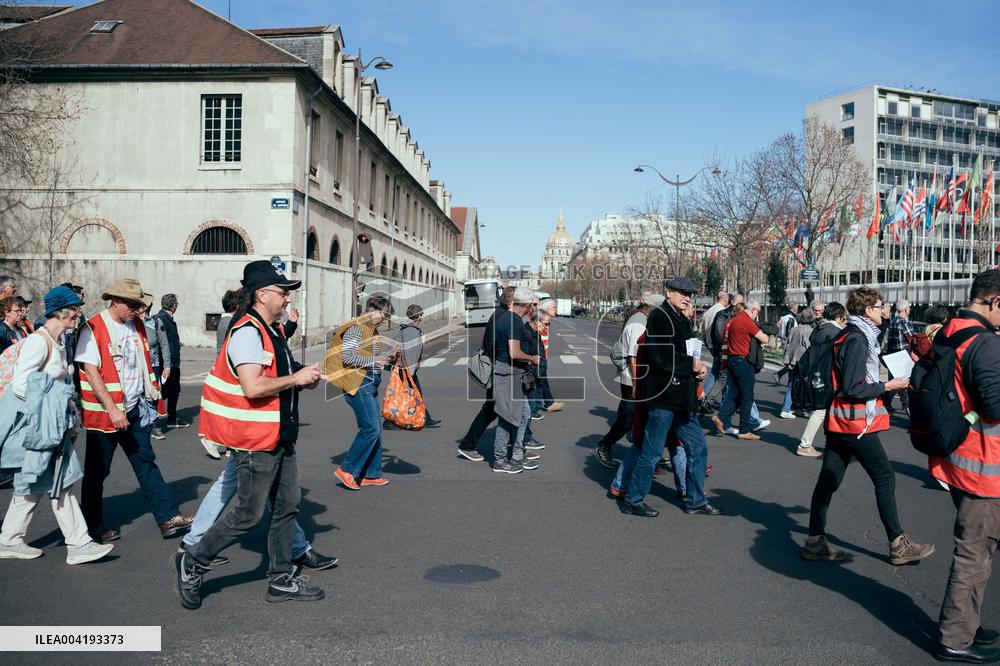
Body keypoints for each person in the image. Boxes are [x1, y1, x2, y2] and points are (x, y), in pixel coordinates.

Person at [175, 261, 325, 609]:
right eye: (282, 292)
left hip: (279, 435)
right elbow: (253, 386)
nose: (287, 299)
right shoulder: (247, 332)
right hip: (256, 439)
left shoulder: (271, 330)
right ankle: (193, 560)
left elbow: (279, 370)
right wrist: (296, 380)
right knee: (248, 512)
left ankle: (281, 579)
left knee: (287, 507)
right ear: (262, 294)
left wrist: (306, 373)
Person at [801, 287, 934, 565]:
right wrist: (889, 385)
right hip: (855, 420)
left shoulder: (854, 334)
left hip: (842, 418)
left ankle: (815, 540)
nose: (884, 309)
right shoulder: (859, 339)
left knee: (829, 479)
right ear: (868, 311)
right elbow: (853, 386)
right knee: (884, 476)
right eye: (880, 305)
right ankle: (898, 544)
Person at [0, 286, 114, 565]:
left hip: (51, 426)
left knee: (36, 482)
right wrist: (54, 404)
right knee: (60, 483)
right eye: (75, 309)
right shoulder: (40, 342)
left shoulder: (57, 341)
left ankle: (9, 539)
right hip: (43, 428)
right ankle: (79, 544)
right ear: (61, 311)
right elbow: (21, 384)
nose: (78, 314)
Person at [76, 277, 192, 543]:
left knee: (146, 463)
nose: (138, 310)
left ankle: (168, 518)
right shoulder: (93, 328)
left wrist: (149, 398)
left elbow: (140, 364)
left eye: (140, 305)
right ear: (115, 301)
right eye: (133, 305)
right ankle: (91, 527)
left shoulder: (136, 324)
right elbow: (91, 372)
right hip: (105, 415)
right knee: (97, 472)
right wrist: (113, 410)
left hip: (134, 409)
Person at [927, 270, 1000, 663]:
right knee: (974, 554)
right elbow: (995, 407)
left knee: (979, 550)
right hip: (984, 467)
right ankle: (955, 638)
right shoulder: (985, 343)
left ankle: (968, 623)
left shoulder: (950, 330)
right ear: (995, 302)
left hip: (958, 460)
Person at [617, 277, 717, 517]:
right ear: (669, 293)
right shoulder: (660, 316)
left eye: (690, 295)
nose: (687, 298)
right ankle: (633, 499)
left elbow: (684, 352)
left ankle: (696, 500)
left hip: (681, 398)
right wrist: (692, 365)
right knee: (651, 453)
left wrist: (697, 367)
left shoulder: (681, 318)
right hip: (662, 398)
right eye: (683, 293)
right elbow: (661, 357)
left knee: (698, 447)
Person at [326, 295, 397, 490]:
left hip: (367, 382)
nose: (384, 320)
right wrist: (376, 360)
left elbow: (369, 356)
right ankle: (347, 469)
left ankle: (370, 474)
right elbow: (348, 357)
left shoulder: (369, 328)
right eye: (383, 315)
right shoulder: (356, 328)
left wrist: (385, 359)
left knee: (375, 429)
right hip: (357, 384)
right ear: (371, 309)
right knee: (370, 428)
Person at [595, 293, 664, 469]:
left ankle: (648, 455)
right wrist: (636, 383)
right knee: (628, 418)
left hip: (638, 378)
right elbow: (634, 357)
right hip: (632, 379)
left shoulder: (641, 319)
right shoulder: (639, 323)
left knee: (641, 417)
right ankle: (605, 445)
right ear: (653, 308)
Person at [457, 287, 516, 461]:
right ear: (512, 302)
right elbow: (499, 346)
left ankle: (515, 444)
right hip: (499, 370)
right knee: (495, 409)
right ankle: (469, 445)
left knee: (493, 409)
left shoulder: (499, 314)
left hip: (497, 368)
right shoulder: (503, 317)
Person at [488, 287, 540, 474]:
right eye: (532, 305)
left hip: (507, 373)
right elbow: (514, 352)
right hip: (509, 374)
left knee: (523, 414)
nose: (533, 309)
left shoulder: (503, 317)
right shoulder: (514, 322)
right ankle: (500, 460)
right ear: (526, 306)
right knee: (508, 418)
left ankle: (517, 454)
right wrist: (533, 358)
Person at [712, 300, 769, 440]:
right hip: (742, 361)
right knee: (747, 397)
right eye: (758, 311)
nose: (758, 315)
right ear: (753, 309)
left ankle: (721, 417)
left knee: (738, 395)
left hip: (732, 360)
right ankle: (744, 430)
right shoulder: (745, 320)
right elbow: (765, 338)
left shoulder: (733, 321)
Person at [796, 302, 846, 458]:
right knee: (821, 410)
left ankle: (820, 443)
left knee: (821, 409)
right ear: (839, 316)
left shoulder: (818, 330)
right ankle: (805, 444)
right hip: (827, 376)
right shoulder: (836, 333)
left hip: (815, 374)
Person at [385, 304, 440, 430]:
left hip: (402, 367)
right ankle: (389, 422)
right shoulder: (413, 332)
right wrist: (411, 373)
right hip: (405, 369)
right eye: (421, 315)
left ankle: (425, 418)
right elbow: (411, 353)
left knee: (415, 393)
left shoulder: (406, 329)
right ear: (419, 316)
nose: (422, 318)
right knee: (402, 395)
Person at [155, 294, 188, 430]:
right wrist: (167, 364)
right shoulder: (163, 320)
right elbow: (163, 344)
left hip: (167, 363)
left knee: (169, 392)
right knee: (168, 392)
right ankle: (166, 420)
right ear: (174, 306)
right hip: (168, 364)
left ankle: (166, 419)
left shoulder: (160, 318)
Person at [142, 294, 171, 441]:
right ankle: (141, 425)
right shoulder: (130, 322)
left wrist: (167, 366)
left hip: (153, 365)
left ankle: (155, 426)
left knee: (153, 395)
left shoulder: (155, 322)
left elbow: (164, 345)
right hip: (137, 366)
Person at [779, 309, 814, 419]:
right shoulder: (811, 331)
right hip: (803, 362)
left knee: (791, 384)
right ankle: (788, 409)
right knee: (805, 386)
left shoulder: (794, 329)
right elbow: (808, 347)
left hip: (792, 361)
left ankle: (788, 407)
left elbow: (788, 345)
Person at [884, 298, 915, 414]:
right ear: (906, 309)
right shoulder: (904, 322)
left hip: (892, 354)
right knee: (904, 380)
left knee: (895, 380)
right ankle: (906, 405)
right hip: (903, 355)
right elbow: (912, 339)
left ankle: (889, 403)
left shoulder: (893, 322)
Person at [536, 298, 564, 413]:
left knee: (540, 381)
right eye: (554, 307)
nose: (556, 309)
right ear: (547, 310)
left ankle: (546, 404)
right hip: (538, 355)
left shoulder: (546, 319)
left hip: (542, 355)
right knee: (540, 381)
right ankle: (546, 404)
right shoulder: (540, 319)